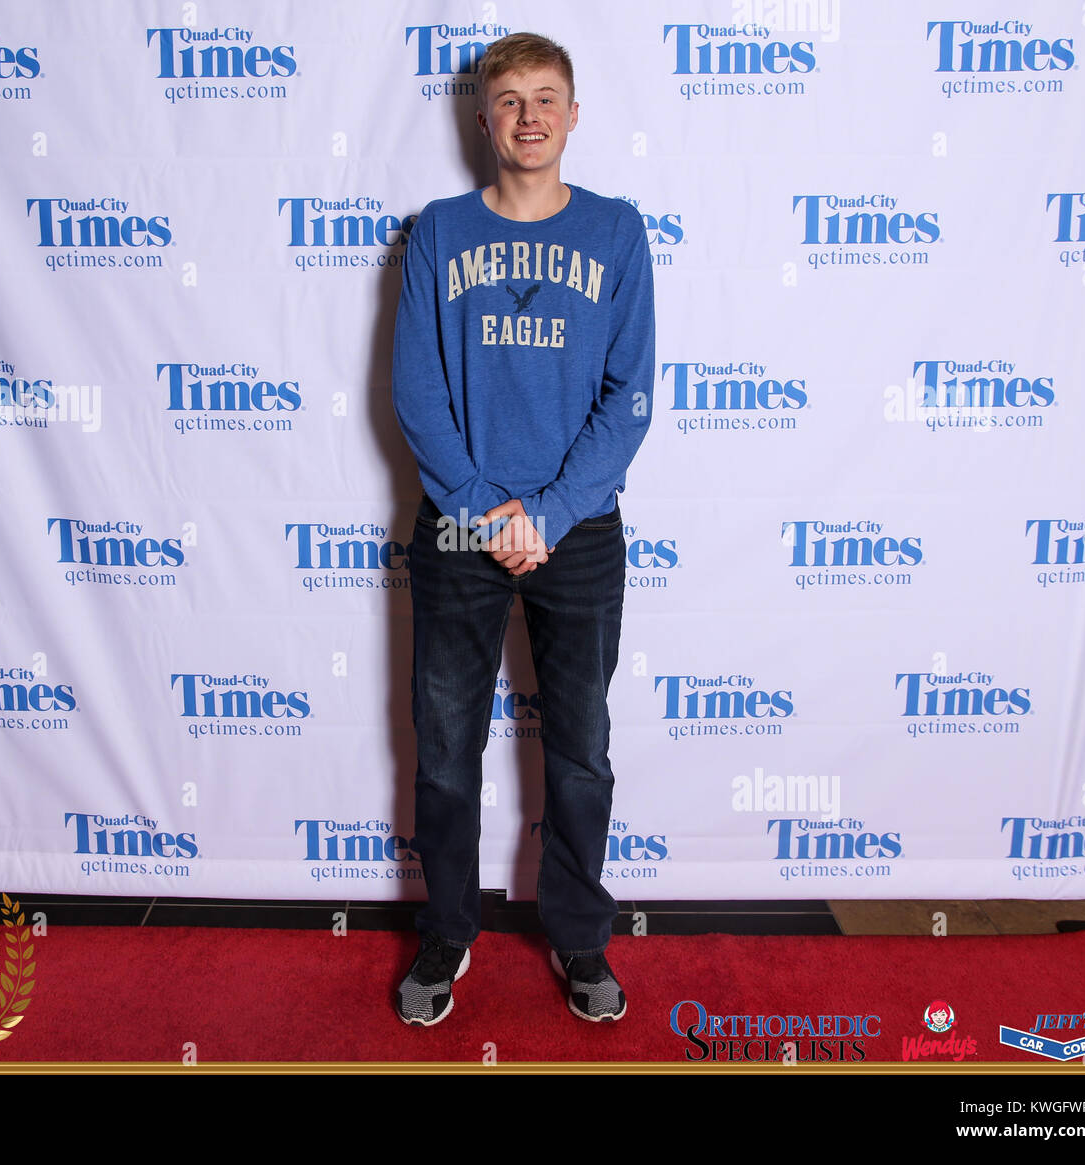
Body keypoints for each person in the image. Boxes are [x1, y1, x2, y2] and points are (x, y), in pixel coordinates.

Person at [391, 31, 655, 1026]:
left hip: (575, 528)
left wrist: (544, 513)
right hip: (461, 526)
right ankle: (447, 931)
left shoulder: (616, 232)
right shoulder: (441, 230)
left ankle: (581, 937)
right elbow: (416, 390)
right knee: (447, 742)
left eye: (547, 98)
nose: (529, 116)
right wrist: (477, 510)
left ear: (574, 116)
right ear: (483, 119)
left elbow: (629, 395)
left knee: (581, 748)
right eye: (509, 99)